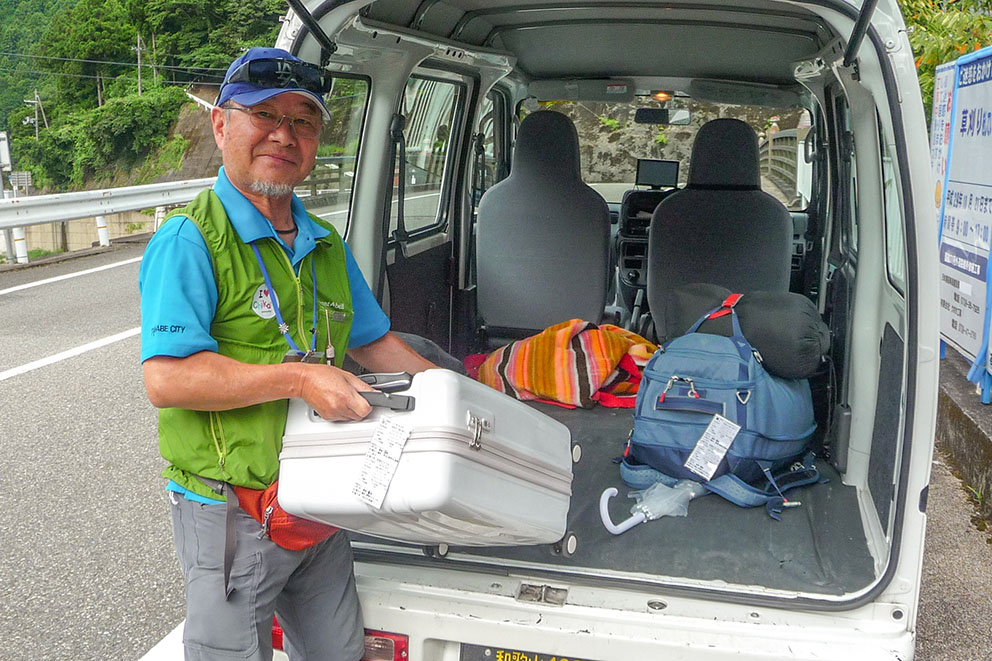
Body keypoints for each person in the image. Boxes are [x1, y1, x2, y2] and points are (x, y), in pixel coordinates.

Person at [139, 47, 437, 661]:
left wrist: (455, 401)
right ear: (221, 125)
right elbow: (168, 379)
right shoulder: (189, 240)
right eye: (263, 115)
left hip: (321, 495)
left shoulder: (324, 241)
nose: (284, 134)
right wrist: (301, 379)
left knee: (339, 651)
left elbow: (373, 342)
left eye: (303, 121)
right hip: (232, 510)